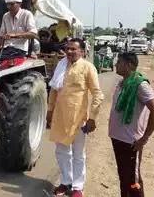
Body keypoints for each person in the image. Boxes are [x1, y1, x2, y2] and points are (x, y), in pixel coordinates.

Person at [47, 38, 104, 197]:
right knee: (61, 151)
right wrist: (49, 111)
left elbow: (97, 94)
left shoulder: (88, 67)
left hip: (79, 118)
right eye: (68, 49)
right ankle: (66, 182)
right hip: (60, 116)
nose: (70, 52)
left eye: (73, 49)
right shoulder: (61, 65)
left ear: (82, 51)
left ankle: (78, 187)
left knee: (78, 154)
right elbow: (53, 90)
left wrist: (92, 118)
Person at [109, 52, 154, 197]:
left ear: (129, 65)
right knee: (124, 177)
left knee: (133, 180)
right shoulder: (122, 83)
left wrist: (144, 138)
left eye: (119, 62)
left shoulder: (140, 84)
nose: (115, 65)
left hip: (132, 141)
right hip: (118, 138)